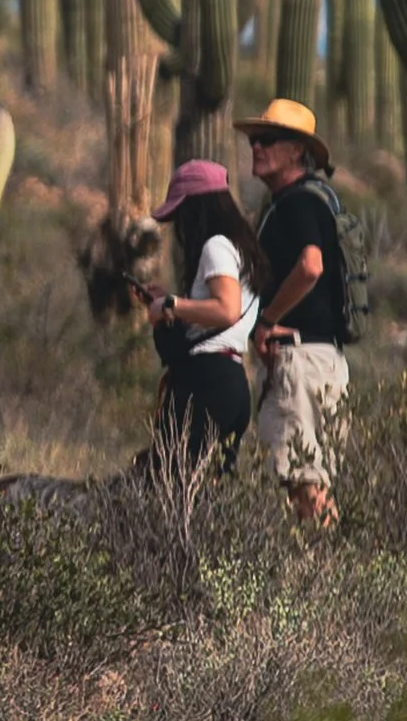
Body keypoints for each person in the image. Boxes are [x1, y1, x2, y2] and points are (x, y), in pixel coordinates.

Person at [241, 98, 350, 525]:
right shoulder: (317, 200)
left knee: (304, 484)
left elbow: (311, 265)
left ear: (296, 151)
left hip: (299, 364)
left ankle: (331, 578)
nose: (256, 147)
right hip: (325, 361)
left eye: (268, 139)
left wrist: (267, 320)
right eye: (254, 140)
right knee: (313, 484)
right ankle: (325, 576)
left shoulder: (296, 203)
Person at [136, 159, 267, 475]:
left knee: (171, 483)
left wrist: (171, 304)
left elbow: (226, 309)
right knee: (211, 492)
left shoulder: (216, 246)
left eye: (181, 214)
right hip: (234, 385)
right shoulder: (241, 248)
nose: (179, 227)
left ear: (197, 210)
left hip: (207, 381)